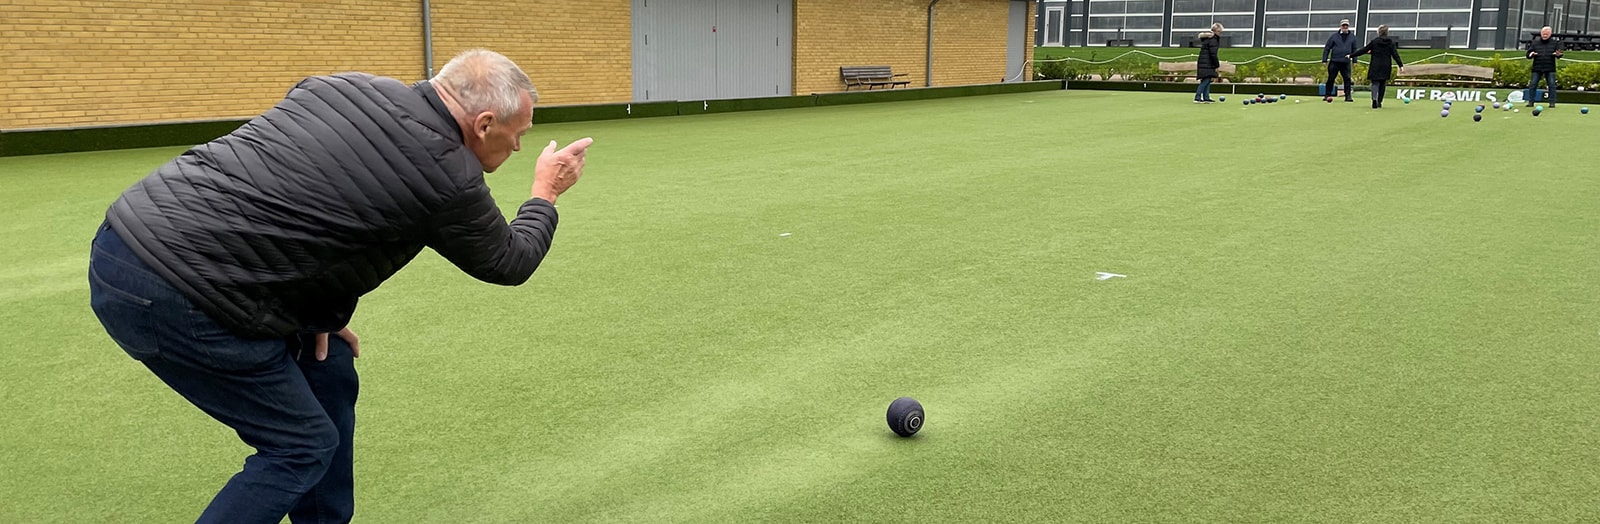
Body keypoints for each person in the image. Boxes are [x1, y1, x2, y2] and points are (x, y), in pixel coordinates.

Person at [87, 49, 592, 523]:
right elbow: (509, 260)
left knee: (328, 369)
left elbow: (312, 191)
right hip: (180, 294)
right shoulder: (448, 176)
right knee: (300, 445)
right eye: (518, 133)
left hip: (121, 241)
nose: (520, 144)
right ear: (484, 124)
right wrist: (544, 193)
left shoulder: (340, 86)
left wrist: (320, 314)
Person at [1348, 25, 1404, 109]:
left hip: (1375, 64)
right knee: (1382, 84)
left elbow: (1364, 50)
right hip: (1386, 65)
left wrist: (1351, 55)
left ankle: (1374, 98)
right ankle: (1379, 102)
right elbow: (1395, 54)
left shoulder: (1374, 42)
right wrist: (1400, 65)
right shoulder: (1391, 42)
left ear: (1379, 32)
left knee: (1375, 83)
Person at [1525, 26, 1563, 107]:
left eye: (1546, 34)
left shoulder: (1555, 43)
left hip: (1550, 67)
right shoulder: (1535, 42)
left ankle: (1552, 102)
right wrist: (1531, 54)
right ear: (1541, 34)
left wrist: (1558, 54)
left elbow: (1559, 54)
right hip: (1537, 67)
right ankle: (1530, 102)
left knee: (1552, 85)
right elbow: (1528, 55)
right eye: (1543, 34)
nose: (1545, 35)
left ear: (1550, 34)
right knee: (1533, 84)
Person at [1322, 19, 1358, 102]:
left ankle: (1348, 96)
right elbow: (1327, 48)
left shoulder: (1352, 37)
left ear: (1348, 26)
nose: (1345, 27)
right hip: (1334, 61)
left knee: (1347, 79)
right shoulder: (1334, 36)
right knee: (1331, 78)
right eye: (1343, 25)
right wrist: (1324, 60)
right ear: (1340, 26)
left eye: (1346, 26)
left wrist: (1355, 60)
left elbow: (1354, 49)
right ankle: (1327, 95)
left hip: (1346, 62)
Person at [1194, 23, 1224, 104]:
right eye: (1219, 31)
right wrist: (1217, 65)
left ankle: (1206, 97)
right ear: (1215, 31)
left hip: (1205, 61)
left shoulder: (1208, 38)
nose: (1220, 33)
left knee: (1207, 79)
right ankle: (1197, 97)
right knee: (1206, 80)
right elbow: (1213, 54)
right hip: (1208, 62)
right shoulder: (1213, 40)